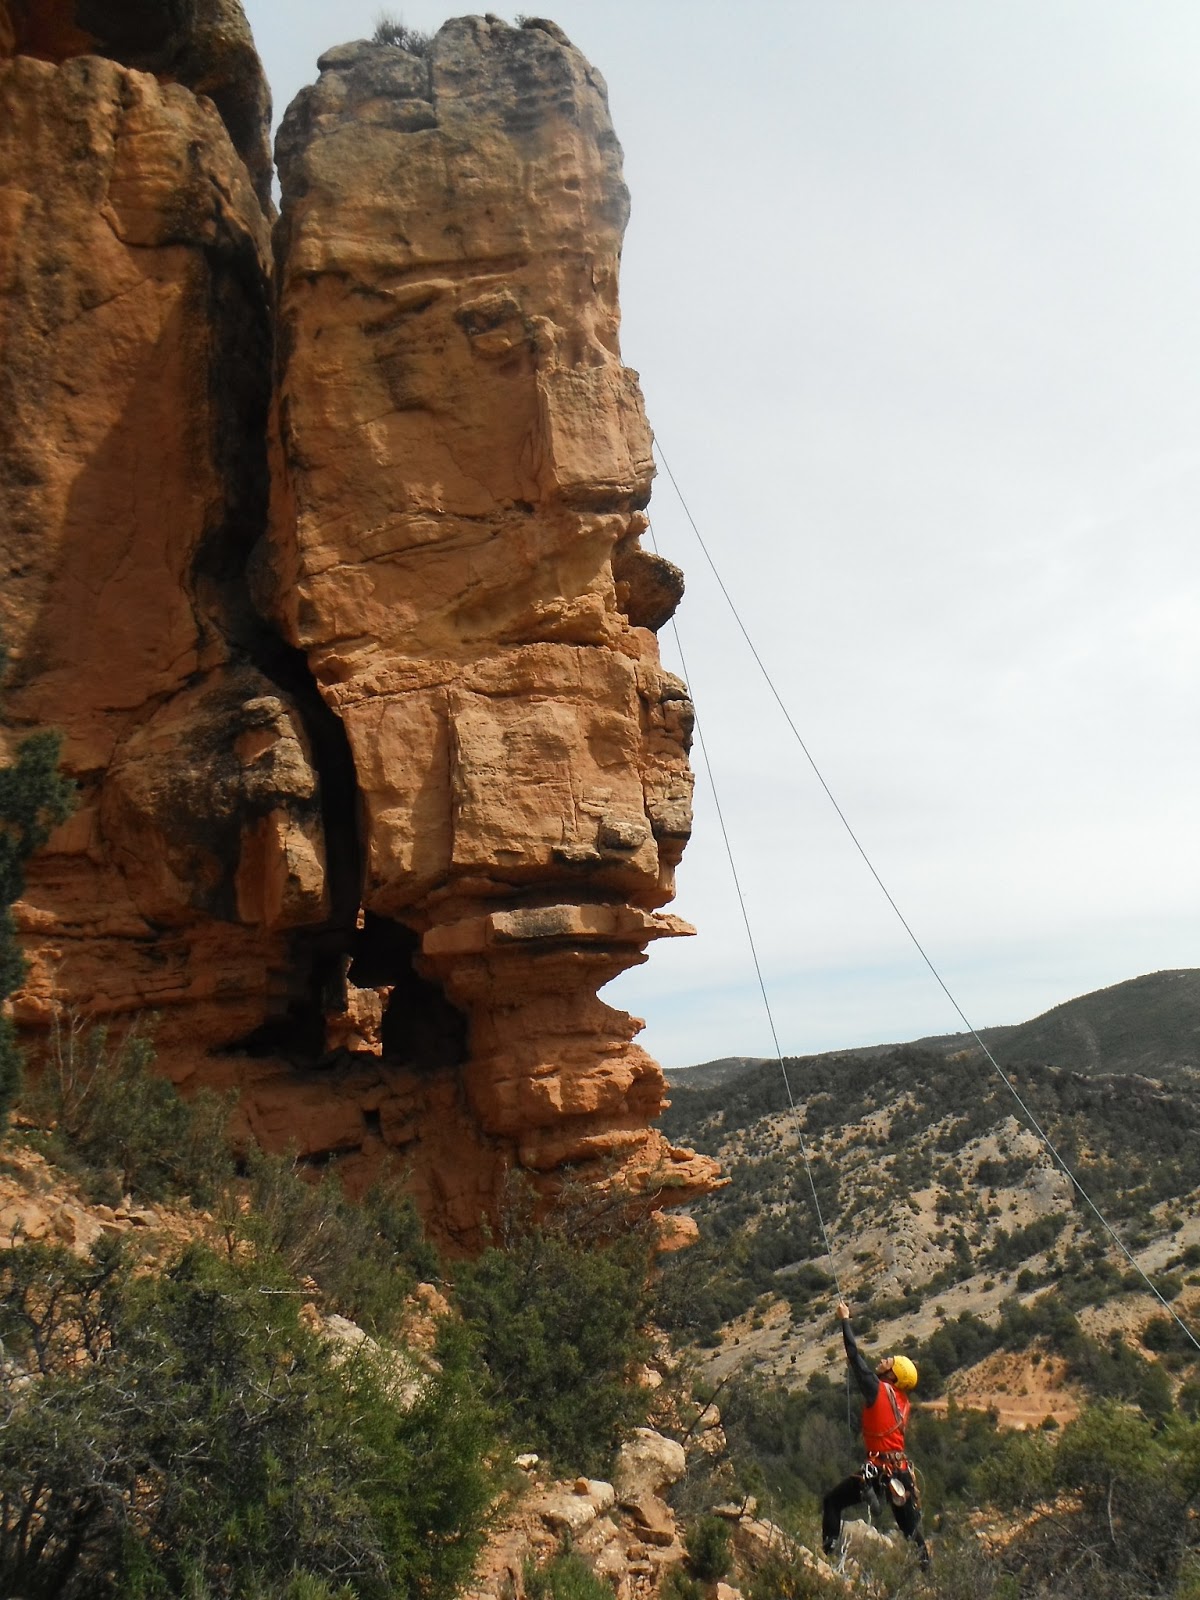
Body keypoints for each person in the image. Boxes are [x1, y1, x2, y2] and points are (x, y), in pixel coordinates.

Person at [822, 1299, 929, 1567]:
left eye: (888, 1362)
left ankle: (828, 1555)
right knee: (910, 1530)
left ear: (893, 1375)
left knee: (832, 1502)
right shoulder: (903, 1403)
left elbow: (854, 1355)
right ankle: (928, 1572)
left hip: (877, 1467)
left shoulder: (878, 1390)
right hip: (900, 1470)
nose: (883, 1360)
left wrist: (844, 1319)